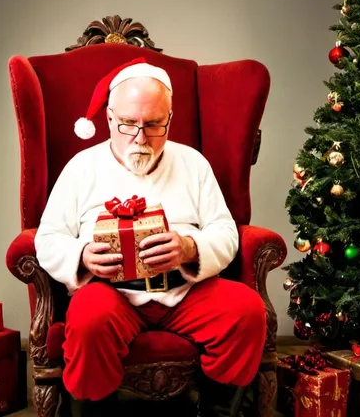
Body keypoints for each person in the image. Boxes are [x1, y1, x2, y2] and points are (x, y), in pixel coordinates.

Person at [35, 57, 266, 417]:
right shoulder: (82, 168)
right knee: (88, 320)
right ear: (110, 118)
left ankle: (218, 409)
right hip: (111, 293)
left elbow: (225, 232)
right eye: (128, 124)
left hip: (186, 291)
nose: (140, 138)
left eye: (154, 125)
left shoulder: (193, 164)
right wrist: (81, 256)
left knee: (246, 311)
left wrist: (190, 248)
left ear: (169, 120)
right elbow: (47, 238)